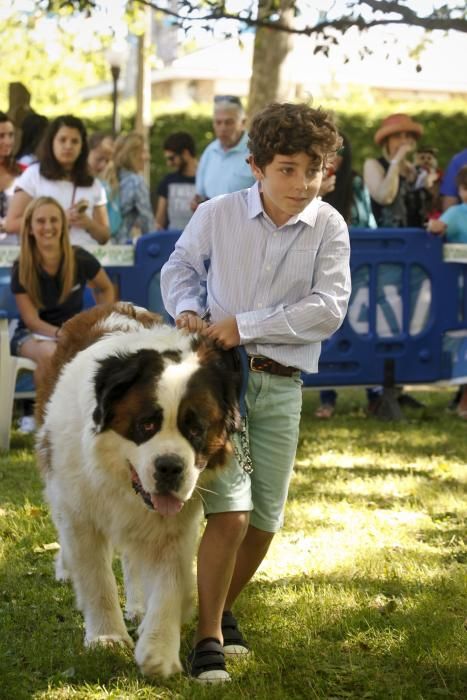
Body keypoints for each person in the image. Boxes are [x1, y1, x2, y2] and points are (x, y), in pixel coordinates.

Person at [161, 102, 351, 683]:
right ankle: (207, 638)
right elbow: (180, 266)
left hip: (284, 384)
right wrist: (190, 308)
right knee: (233, 513)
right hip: (222, 383)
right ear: (257, 167)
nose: (302, 182)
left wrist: (248, 323)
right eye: (288, 169)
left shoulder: (329, 226)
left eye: (313, 169)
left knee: (266, 519)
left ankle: (217, 609)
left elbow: (329, 308)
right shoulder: (218, 214)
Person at [10, 196, 114, 432]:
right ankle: (46, 423)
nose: (48, 227)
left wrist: (100, 319)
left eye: (54, 220)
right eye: (41, 221)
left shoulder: (79, 257)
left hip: (70, 331)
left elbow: (105, 287)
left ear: (64, 224)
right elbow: (31, 320)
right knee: (49, 354)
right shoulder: (22, 266)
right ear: (30, 228)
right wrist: (62, 333)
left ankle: (80, 420)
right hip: (30, 334)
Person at [316, 133, 378, 418]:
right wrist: (318, 193)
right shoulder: (312, 181)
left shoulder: (353, 182)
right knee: (327, 332)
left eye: (339, 153)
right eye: (329, 153)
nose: (334, 160)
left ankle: (373, 394)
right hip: (321, 271)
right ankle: (327, 397)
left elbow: (368, 223)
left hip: (357, 268)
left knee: (362, 326)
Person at [5, 114, 110, 247]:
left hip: (84, 259)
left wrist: (88, 224)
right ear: (51, 142)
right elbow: (11, 224)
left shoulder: (93, 184)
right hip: (43, 259)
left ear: (82, 147)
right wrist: (56, 220)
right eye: (62, 140)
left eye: (74, 141)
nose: (68, 146)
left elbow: (104, 235)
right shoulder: (33, 175)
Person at [364, 113, 428, 228]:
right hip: (388, 240)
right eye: (397, 136)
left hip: (417, 238)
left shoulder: (414, 170)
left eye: (408, 136)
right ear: (386, 142)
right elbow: (385, 197)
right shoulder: (373, 165)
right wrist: (396, 161)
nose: (404, 141)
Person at [193, 95, 255, 207]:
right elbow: (200, 194)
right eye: (218, 122)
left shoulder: (255, 151)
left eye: (229, 122)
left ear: (243, 122)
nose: (223, 128)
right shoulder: (209, 152)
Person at [101, 131, 154, 243]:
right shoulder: (136, 182)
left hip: (100, 245)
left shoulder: (107, 177)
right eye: (143, 152)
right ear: (132, 155)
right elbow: (147, 223)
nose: (147, 157)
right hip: (121, 251)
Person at [154, 131, 197, 230]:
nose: (169, 163)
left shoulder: (207, 181)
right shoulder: (168, 181)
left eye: (172, 158)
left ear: (186, 154)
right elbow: (159, 221)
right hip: (172, 241)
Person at [0, 111, 21, 241]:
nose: (8, 141)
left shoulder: (23, 172)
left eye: (11, 135)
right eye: (1, 136)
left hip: (14, 248)